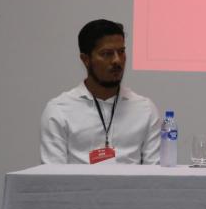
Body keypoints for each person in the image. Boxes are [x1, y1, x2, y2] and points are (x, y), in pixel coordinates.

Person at [40, 19, 161, 164]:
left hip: (132, 187)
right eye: (107, 53)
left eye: (121, 52)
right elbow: (51, 178)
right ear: (85, 59)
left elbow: (155, 177)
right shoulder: (60, 110)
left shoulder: (145, 109)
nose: (117, 60)